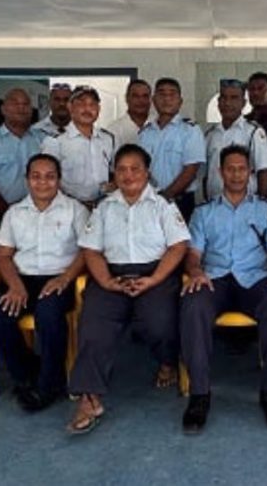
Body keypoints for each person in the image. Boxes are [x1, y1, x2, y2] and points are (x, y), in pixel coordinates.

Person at [66, 144, 190, 435]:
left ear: (147, 173)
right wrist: (107, 281)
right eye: (121, 169)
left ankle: (167, 362)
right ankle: (89, 397)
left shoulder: (163, 204)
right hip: (113, 275)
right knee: (94, 323)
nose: (128, 175)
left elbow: (178, 246)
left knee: (159, 322)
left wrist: (154, 279)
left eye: (135, 169)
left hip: (155, 273)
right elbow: (91, 250)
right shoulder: (105, 207)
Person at [180, 145, 267, 434]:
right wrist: (195, 272)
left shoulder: (266, 209)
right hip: (214, 278)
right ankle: (199, 394)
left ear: (251, 173)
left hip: (255, 278)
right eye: (229, 168)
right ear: (220, 172)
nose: (235, 174)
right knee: (193, 304)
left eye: (241, 168)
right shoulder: (203, 212)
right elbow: (193, 254)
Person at [0, 154, 88, 412]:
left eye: (50, 176)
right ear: (27, 180)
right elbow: (4, 256)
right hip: (23, 279)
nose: (43, 183)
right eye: (36, 177)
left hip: (60, 279)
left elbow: (87, 251)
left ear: (59, 180)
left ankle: (49, 386)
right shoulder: (14, 213)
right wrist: (15, 286)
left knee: (49, 314)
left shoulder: (75, 210)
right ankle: (28, 372)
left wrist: (65, 278)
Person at [0, 88, 47, 224]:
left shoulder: (43, 139)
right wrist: (6, 211)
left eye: (25, 104)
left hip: (39, 215)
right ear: (3, 109)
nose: (21, 108)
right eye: (15, 103)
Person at [138, 77, 205, 221]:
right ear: (154, 100)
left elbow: (191, 170)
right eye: (161, 94)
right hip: (149, 201)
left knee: (179, 244)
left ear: (180, 101)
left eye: (172, 94)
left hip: (180, 202)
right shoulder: (145, 133)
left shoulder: (190, 130)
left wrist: (166, 196)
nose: (167, 99)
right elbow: (140, 168)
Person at [40, 86, 117, 208]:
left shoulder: (108, 139)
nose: (87, 109)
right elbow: (47, 180)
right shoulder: (55, 142)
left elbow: (116, 172)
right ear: (70, 107)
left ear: (99, 109)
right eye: (81, 104)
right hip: (68, 209)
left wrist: (113, 185)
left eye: (92, 105)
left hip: (103, 207)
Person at [204, 78, 267, 200]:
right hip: (214, 205)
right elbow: (204, 174)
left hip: (246, 205)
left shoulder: (253, 132)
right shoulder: (211, 135)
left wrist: (263, 205)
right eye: (224, 98)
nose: (228, 103)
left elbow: (263, 171)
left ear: (243, 103)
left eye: (234, 98)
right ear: (218, 102)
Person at [107, 79, 155, 146]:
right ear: (127, 98)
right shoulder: (114, 130)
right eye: (136, 96)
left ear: (151, 99)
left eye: (145, 96)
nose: (141, 100)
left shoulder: (160, 125)